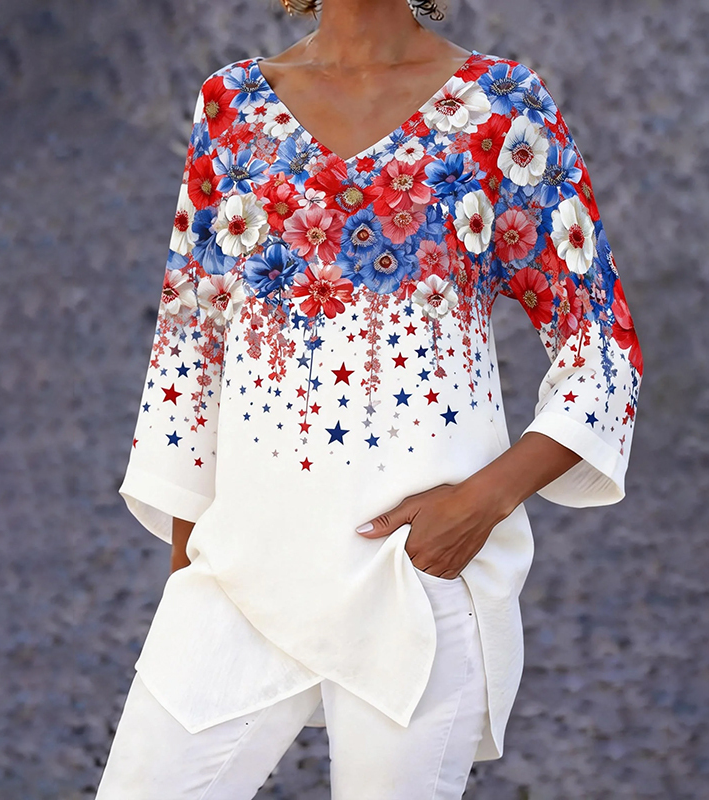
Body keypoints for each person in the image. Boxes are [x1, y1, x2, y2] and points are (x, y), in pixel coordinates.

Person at [94, 0, 644, 797]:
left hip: (415, 579)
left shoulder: (500, 108)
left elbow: (601, 341)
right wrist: (189, 586)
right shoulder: (232, 106)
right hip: (243, 570)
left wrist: (482, 504)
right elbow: (192, 345)